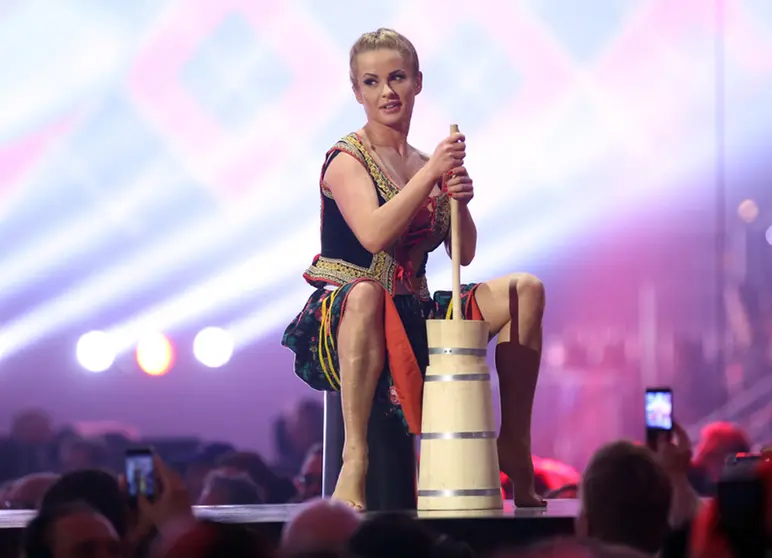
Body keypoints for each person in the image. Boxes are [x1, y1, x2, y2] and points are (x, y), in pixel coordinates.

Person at [281, 28, 546, 509]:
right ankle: (354, 458)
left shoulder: (428, 162)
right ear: (356, 90)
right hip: (348, 314)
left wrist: (460, 200)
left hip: (416, 310)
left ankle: (515, 443)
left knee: (524, 290)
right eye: (373, 81)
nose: (387, 92)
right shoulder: (347, 159)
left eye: (397, 78)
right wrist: (431, 177)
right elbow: (374, 235)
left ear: (417, 82)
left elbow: (463, 256)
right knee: (365, 293)